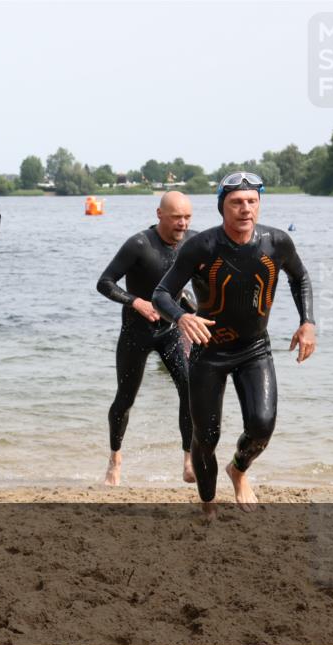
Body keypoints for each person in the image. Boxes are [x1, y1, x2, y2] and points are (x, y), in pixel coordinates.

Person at [153, 173, 315, 516]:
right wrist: (182, 318)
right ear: (222, 207)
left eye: (252, 201)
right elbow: (161, 294)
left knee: (261, 425)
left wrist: (307, 323)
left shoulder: (277, 242)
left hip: (254, 348)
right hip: (209, 353)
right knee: (206, 436)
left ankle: (238, 470)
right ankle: (208, 504)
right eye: (236, 202)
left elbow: (299, 277)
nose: (245, 209)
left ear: (259, 204)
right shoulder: (201, 247)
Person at [97, 191, 196, 486]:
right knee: (125, 399)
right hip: (135, 334)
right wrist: (135, 302)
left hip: (170, 333)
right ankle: (115, 456)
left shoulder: (193, 242)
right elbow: (104, 282)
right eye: (177, 217)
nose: (182, 223)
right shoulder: (139, 244)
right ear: (159, 214)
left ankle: (189, 458)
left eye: (187, 217)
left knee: (189, 389)